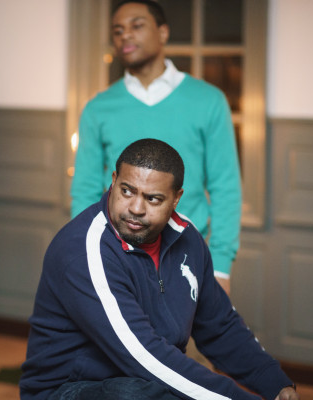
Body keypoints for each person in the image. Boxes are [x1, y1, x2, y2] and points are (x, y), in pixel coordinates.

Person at [20, 139, 297, 400]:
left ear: (176, 199)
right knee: (139, 394)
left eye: (153, 199)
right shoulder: (84, 249)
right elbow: (144, 356)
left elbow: (220, 326)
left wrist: (274, 382)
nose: (136, 208)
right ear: (114, 181)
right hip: (67, 390)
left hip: (144, 379)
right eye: (126, 191)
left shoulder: (187, 238)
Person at [70, 0, 241, 294]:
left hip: (185, 254)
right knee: (114, 339)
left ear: (163, 32)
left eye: (136, 26)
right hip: (115, 252)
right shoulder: (98, 108)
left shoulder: (208, 101)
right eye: (118, 30)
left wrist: (222, 265)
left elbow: (225, 187)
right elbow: (84, 189)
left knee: (176, 340)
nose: (125, 36)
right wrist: (85, 253)